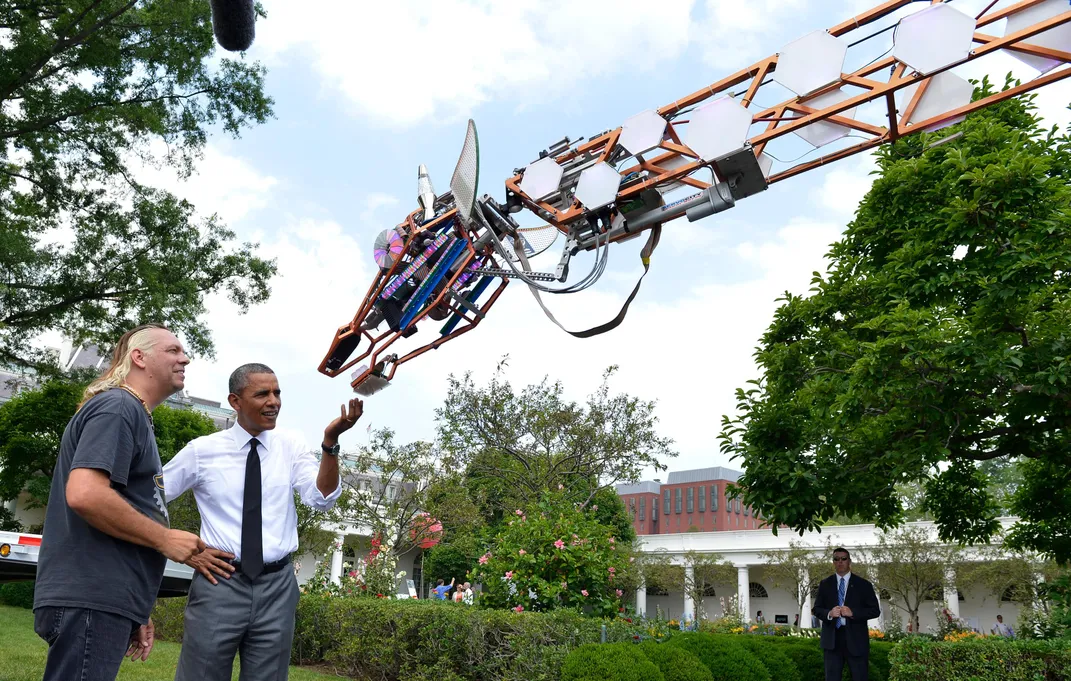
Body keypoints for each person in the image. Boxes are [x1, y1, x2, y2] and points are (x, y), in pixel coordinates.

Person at [163, 363, 362, 681]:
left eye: (277, 392)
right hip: (220, 582)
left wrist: (330, 442)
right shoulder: (202, 452)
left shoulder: (290, 447)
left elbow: (321, 499)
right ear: (235, 401)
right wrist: (174, 543)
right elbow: (151, 497)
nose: (274, 401)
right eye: (262, 394)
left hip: (277, 587)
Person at [33, 324, 206, 681]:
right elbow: (85, 493)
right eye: (173, 350)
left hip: (105, 597)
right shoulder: (118, 407)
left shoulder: (131, 412)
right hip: (90, 596)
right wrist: (165, 539)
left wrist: (135, 605)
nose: (184, 358)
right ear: (139, 357)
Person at [812, 547, 881, 681]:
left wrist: (853, 612)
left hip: (856, 640)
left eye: (843, 559)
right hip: (832, 641)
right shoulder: (825, 584)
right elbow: (817, 609)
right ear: (833, 562)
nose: (840, 562)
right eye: (836, 559)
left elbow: (874, 610)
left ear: (849, 561)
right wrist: (829, 613)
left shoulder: (863, 585)